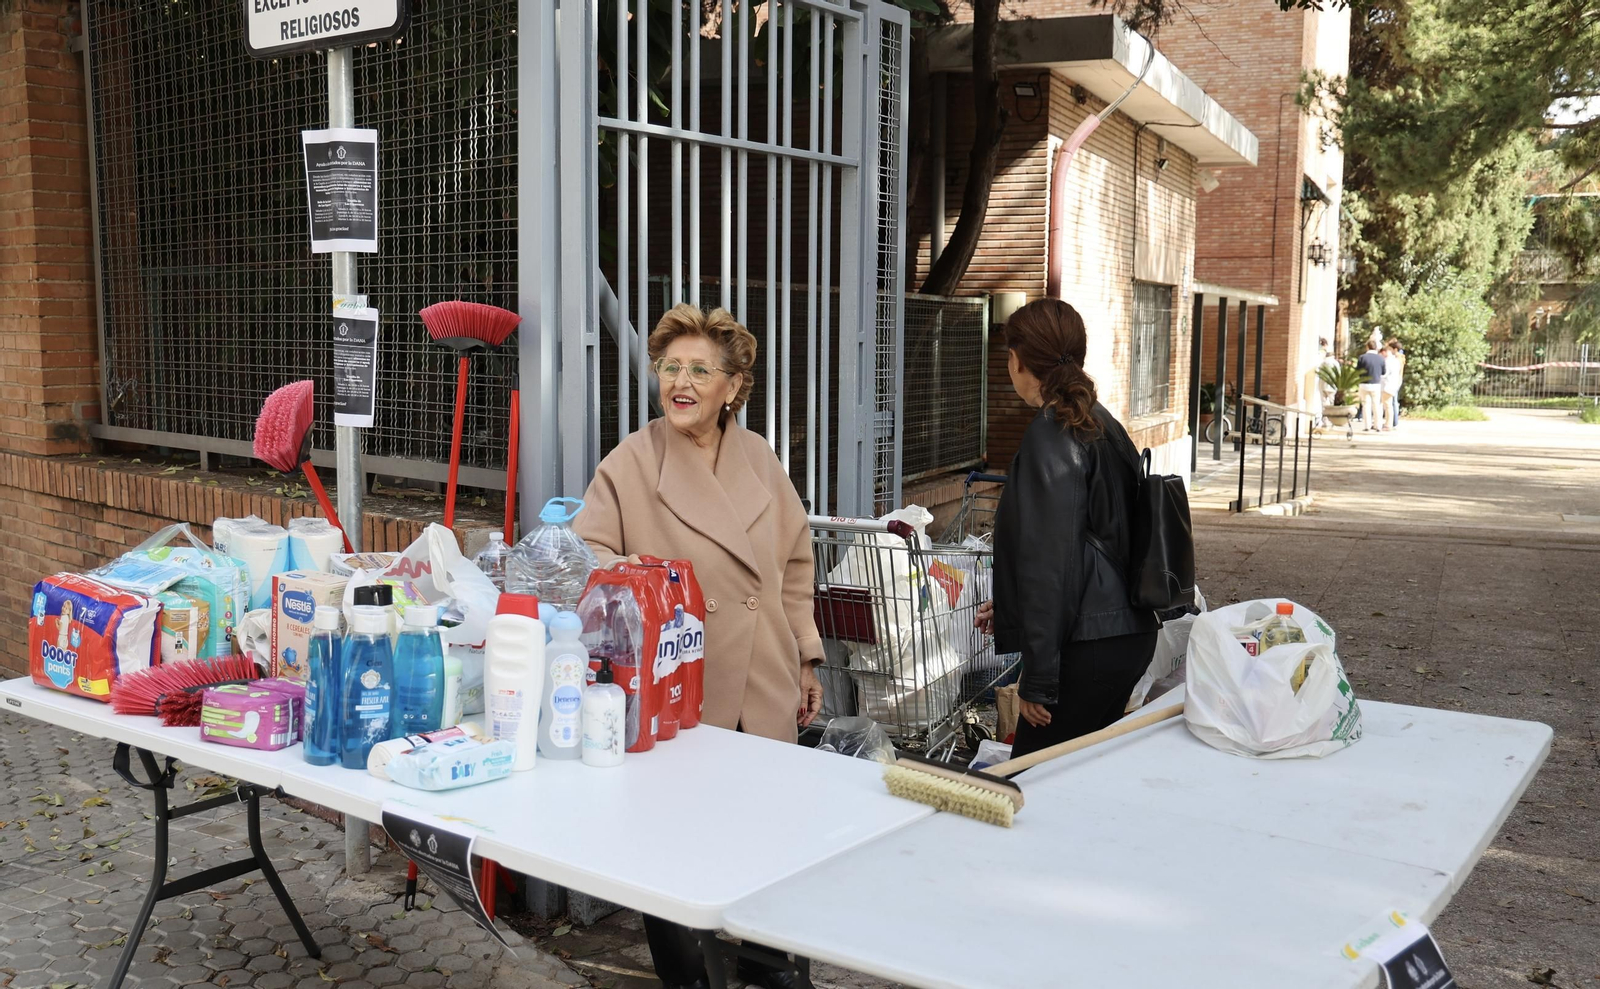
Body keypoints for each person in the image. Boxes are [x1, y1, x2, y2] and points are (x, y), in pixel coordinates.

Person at [574, 303, 822, 989]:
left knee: (763, 842)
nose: (679, 383)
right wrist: (649, 586)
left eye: (698, 371)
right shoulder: (631, 461)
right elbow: (589, 556)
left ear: (732, 386)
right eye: (669, 368)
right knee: (674, 855)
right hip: (678, 690)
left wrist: (805, 654)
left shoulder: (761, 458)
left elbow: (796, 561)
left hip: (762, 681)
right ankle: (690, 976)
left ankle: (769, 966)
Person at [972, 299, 1160, 758]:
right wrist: (1016, 605)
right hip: (1124, 636)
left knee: (1031, 784)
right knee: (1078, 777)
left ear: (1016, 360)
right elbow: (1093, 547)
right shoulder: (1099, 421)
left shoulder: (1052, 432)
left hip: (1088, 648)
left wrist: (1038, 679)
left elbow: (1051, 565)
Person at [1356, 339, 1388, 434]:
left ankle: (1367, 426)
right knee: (1376, 405)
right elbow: (1384, 372)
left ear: (1367, 347)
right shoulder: (1381, 358)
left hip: (1364, 383)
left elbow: (1357, 370)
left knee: (1366, 405)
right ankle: (1378, 426)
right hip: (1376, 384)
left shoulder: (1362, 357)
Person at [1382, 338, 1406, 431]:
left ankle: (1394, 422)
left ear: (1395, 349)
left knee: (1392, 403)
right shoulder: (1399, 357)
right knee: (1392, 402)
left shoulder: (1398, 358)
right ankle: (1393, 422)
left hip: (1394, 381)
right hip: (1396, 380)